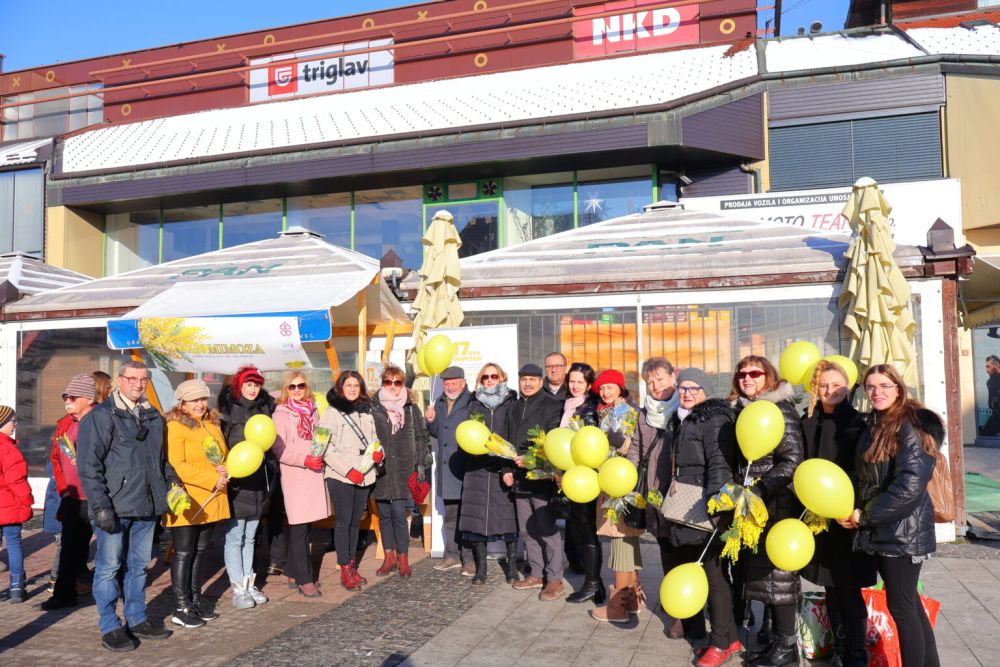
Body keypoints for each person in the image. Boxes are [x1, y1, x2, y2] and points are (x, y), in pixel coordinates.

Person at [839, 365, 941, 667]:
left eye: (885, 386)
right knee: (909, 606)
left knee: (903, 609)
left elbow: (909, 486)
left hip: (903, 531)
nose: (877, 392)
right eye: (871, 387)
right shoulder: (876, 423)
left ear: (898, 389)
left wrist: (864, 515)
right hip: (888, 529)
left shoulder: (909, 425)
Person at [77, 361, 173, 652]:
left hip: (146, 506)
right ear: (119, 380)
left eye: (143, 379)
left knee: (139, 567)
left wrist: (171, 486)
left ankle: (137, 618)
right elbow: (88, 466)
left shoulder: (152, 415)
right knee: (108, 569)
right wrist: (100, 506)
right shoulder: (101, 416)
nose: (138, 384)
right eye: (132, 378)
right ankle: (110, 625)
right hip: (114, 506)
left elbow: (161, 461)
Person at [662, 368, 742, 667]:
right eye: (683, 388)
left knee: (715, 577)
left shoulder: (714, 419)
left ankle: (721, 644)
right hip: (687, 505)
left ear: (706, 391)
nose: (687, 393)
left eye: (694, 388)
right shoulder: (683, 419)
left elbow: (720, 464)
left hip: (708, 507)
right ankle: (730, 638)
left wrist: (718, 506)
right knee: (705, 575)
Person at [727, 356, 803, 667]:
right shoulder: (742, 410)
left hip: (776, 503)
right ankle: (775, 641)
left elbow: (792, 459)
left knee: (779, 576)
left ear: (768, 376)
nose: (747, 378)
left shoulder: (779, 409)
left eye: (754, 373)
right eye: (741, 374)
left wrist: (761, 488)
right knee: (765, 578)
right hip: (752, 504)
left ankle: (787, 648)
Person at [801, 360, 874, 667]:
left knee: (849, 590)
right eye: (823, 385)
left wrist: (855, 510)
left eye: (836, 385)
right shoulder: (808, 422)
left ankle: (857, 656)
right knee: (830, 587)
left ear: (847, 387)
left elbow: (865, 473)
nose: (829, 390)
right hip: (820, 520)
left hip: (847, 519)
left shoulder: (859, 424)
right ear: (815, 389)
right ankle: (839, 651)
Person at [164, 379, 230, 628]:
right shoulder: (175, 427)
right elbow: (177, 465)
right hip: (187, 499)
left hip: (211, 498)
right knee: (184, 552)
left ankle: (194, 600)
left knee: (201, 551)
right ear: (182, 403)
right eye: (194, 400)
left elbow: (222, 455)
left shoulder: (212, 424)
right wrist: (212, 479)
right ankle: (181, 606)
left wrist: (225, 468)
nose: (200, 404)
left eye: (203, 399)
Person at [218, 365, 276, 609]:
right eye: (248, 384)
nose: (253, 389)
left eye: (256, 385)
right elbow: (220, 442)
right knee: (235, 536)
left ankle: (249, 582)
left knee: (251, 537)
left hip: (258, 480)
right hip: (237, 479)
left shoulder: (266, 408)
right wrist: (222, 466)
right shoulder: (227, 409)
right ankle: (238, 588)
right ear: (239, 385)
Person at [589, 369, 643, 623]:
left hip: (619, 483)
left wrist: (606, 438)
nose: (605, 392)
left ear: (621, 388)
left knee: (621, 538)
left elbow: (625, 446)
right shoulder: (608, 411)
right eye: (601, 388)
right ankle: (632, 600)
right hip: (616, 480)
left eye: (610, 387)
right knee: (628, 541)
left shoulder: (624, 411)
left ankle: (617, 607)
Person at [41, 374, 99, 610]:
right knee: (69, 549)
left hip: (96, 496)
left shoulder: (101, 420)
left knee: (109, 549)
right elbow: (56, 458)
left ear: (89, 399)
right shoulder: (65, 423)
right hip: (72, 496)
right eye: (66, 396)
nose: (67, 400)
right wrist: (64, 490)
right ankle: (64, 595)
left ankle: (108, 596)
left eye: (73, 397)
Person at [273, 371, 331, 597]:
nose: (297, 390)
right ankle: (305, 579)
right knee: (299, 528)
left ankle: (291, 570)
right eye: (292, 386)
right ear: (286, 389)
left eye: (301, 386)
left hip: (314, 473)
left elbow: (318, 438)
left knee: (306, 526)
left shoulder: (313, 409)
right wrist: (305, 459)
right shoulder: (281, 415)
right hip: (296, 476)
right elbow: (279, 450)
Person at [461, 363, 519, 584]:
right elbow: (467, 433)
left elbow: (514, 433)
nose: (489, 380)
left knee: (508, 518)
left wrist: (508, 466)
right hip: (477, 468)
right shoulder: (473, 403)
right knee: (477, 520)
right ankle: (481, 568)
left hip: (503, 467)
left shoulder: (511, 402)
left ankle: (512, 566)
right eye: (485, 377)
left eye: (494, 376)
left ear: (501, 378)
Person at [321, 370, 380, 590]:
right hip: (341, 475)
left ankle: (352, 564)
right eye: (348, 385)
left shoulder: (367, 411)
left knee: (356, 522)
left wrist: (379, 453)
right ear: (340, 388)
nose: (353, 389)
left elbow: (374, 440)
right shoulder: (331, 413)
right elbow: (324, 447)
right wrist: (347, 471)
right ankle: (344, 567)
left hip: (364, 472)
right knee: (344, 521)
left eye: (356, 385)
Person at [509, 363, 564, 600]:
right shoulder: (513, 406)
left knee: (547, 529)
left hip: (542, 477)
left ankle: (555, 578)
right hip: (519, 478)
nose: (528, 383)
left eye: (532, 379)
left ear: (541, 382)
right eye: (524, 379)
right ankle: (537, 573)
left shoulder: (552, 406)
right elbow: (506, 440)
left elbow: (553, 442)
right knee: (526, 530)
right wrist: (506, 469)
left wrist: (532, 459)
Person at [639, 357, 683, 636]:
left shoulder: (687, 407)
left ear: (673, 376)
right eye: (650, 382)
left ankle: (684, 611)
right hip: (655, 493)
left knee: (684, 551)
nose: (656, 386)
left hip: (682, 493)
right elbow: (637, 450)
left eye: (660, 379)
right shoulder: (644, 413)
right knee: (666, 549)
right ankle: (675, 601)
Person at [371, 365, 429, 579]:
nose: (393, 386)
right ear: (383, 383)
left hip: (404, 468)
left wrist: (420, 463)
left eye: (397, 382)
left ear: (403, 383)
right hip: (381, 469)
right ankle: (389, 557)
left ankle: (403, 558)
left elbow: (421, 436)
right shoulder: (374, 406)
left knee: (398, 513)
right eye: (388, 382)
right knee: (384, 514)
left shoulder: (411, 407)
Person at [561, 362, 605, 604]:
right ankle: (596, 585)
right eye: (572, 381)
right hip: (571, 477)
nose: (575, 386)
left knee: (586, 531)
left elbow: (588, 447)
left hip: (584, 479)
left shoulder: (588, 410)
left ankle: (592, 584)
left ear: (589, 385)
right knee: (578, 529)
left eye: (580, 382)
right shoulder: (568, 405)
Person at [425, 366, 474, 572]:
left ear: (463, 382)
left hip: (466, 468)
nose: (450, 387)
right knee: (451, 515)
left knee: (469, 517)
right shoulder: (440, 402)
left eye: (454, 383)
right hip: (447, 470)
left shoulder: (472, 402)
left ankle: (469, 559)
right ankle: (452, 555)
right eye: (447, 383)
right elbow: (438, 433)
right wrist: (430, 422)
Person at [0, 406, 32, 604]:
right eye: (12, 421)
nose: (15, 425)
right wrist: (27, 500)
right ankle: (17, 588)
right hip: (9, 504)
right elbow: (16, 480)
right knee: (13, 543)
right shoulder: (7, 448)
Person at [982, 355, 1000, 437]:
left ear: (996, 366)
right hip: (996, 414)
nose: (987, 370)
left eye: (988, 367)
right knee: (986, 435)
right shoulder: (990, 382)